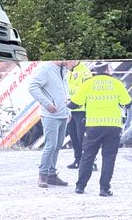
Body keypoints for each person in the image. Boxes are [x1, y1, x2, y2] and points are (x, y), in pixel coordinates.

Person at [70, 62, 131, 196]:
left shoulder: (88, 84)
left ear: (95, 71)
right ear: (108, 69)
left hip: (93, 126)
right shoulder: (117, 83)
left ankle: (80, 186)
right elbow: (127, 103)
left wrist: (68, 103)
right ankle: (104, 189)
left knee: (88, 155)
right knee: (109, 157)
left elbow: (74, 104)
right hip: (113, 126)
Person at [28, 60, 78, 188]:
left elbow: (64, 92)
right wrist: (47, 104)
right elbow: (32, 87)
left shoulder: (63, 70)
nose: (73, 63)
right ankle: (42, 175)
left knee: (57, 145)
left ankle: (51, 175)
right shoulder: (46, 68)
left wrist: (68, 111)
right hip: (50, 114)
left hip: (62, 114)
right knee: (50, 145)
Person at [66, 62, 93, 169]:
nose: (65, 63)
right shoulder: (69, 72)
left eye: (67, 61)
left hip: (82, 109)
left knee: (83, 137)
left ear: (74, 61)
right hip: (71, 109)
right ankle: (78, 160)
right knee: (73, 136)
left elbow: (88, 91)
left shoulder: (85, 72)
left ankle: (90, 162)